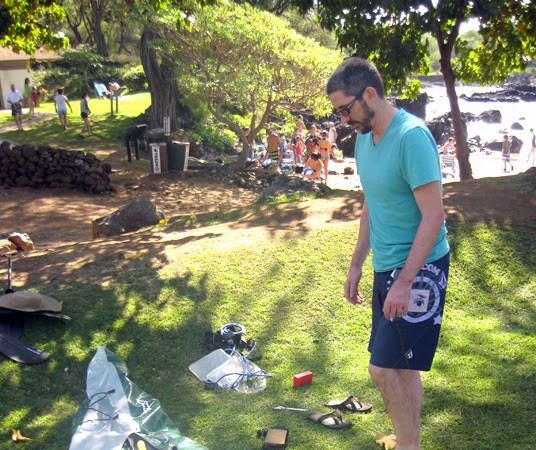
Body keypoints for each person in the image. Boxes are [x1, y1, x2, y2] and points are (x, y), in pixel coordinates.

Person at [327, 57, 450, 450]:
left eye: (347, 109)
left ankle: (409, 446)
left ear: (369, 94)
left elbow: (434, 216)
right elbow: (371, 204)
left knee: (381, 369)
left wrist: (404, 281)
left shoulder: (411, 137)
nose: (345, 120)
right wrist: (356, 263)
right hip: (388, 266)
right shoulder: (365, 139)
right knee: (402, 364)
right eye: (338, 113)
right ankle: (410, 442)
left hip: (420, 266)